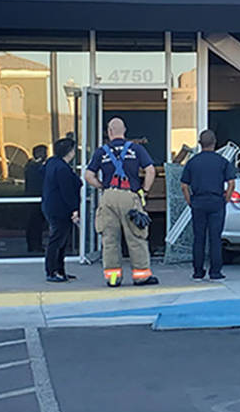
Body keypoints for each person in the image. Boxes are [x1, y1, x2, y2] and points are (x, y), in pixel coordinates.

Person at [85, 117, 159, 287]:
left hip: (109, 197)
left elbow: (88, 175)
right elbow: (150, 171)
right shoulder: (136, 149)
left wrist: (102, 186)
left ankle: (113, 279)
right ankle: (141, 276)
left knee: (110, 239)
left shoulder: (101, 152)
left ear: (109, 132)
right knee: (136, 237)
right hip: (130, 196)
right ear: (124, 131)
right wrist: (145, 191)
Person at [180, 129, 237, 281]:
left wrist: (190, 201)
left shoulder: (192, 162)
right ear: (215, 143)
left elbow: (184, 185)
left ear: (200, 143)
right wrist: (227, 198)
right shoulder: (222, 161)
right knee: (215, 238)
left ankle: (198, 272)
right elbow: (231, 183)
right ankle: (215, 272)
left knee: (199, 238)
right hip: (217, 201)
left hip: (198, 201)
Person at [41, 138, 81, 282]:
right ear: (69, 152)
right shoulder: (62, 168)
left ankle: (60, 270)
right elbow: (67, 192)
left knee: (61, 241)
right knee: (57, 241)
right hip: (60, 209)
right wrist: (74, 209)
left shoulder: (52, 163)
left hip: (50, 206)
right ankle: (52, 271)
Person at [24, 144, 48, 253]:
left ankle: (36, 244)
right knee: (34, 223)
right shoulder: (32, 166)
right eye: (44, 153)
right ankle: (34, 245)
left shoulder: (35, 166)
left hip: (39, 198)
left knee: (38, 223)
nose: (46, 155)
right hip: (33, 198)